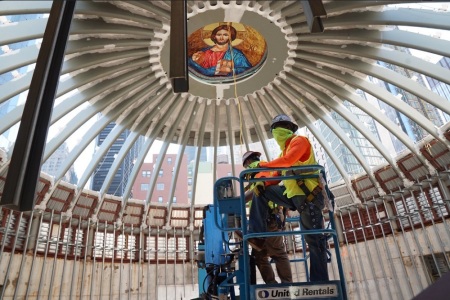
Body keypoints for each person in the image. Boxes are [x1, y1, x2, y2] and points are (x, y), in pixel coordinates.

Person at [247, 114, 329, 282]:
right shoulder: (285, 151)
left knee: (314, 241)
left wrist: (262, 165)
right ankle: (255, 235)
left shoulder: (299, 141)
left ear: (290, 129)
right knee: (262, 192)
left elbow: (287, 161)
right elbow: (276, 174)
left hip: (309, 198)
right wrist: (262, 182)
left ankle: (319, 282)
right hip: (294, 198)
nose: (279, 132)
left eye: (282, 127)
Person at [241, 151, 293, 284]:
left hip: (266, 219)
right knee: (260, 255)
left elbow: (258, 191)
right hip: (271, 217)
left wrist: (237, 200)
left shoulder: (254, 169)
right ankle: (279, 287)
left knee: (277, 253)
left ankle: (281, 287)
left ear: (247, 163)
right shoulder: (268, 168)